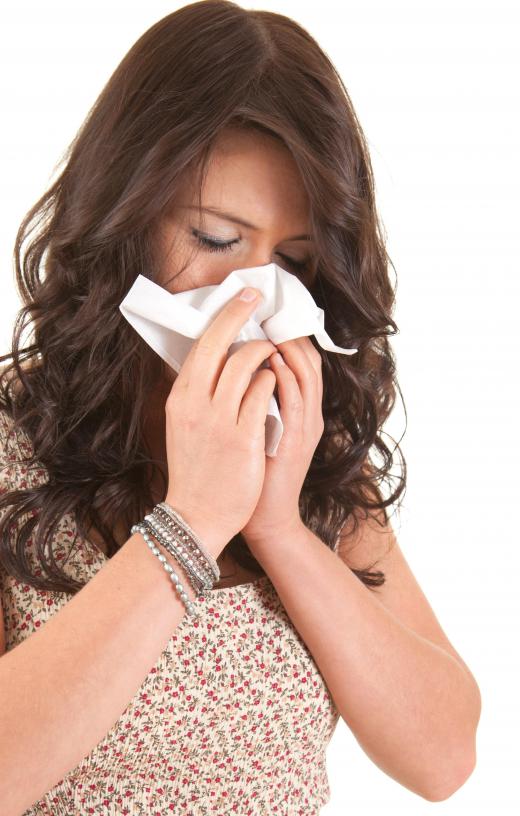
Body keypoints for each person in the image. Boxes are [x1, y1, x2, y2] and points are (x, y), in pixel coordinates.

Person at [0, 2, 481, 813]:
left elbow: (442, 759)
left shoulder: (307, 449)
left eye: (292, 261)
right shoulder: (14, 440)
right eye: (219, 241)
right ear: (125, 219)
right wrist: (189, 524)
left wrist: (278, 527)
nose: (258, 297)